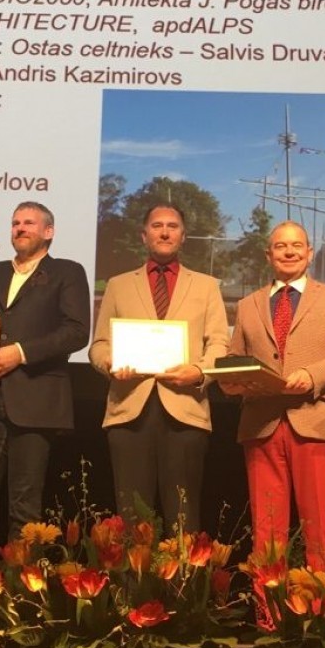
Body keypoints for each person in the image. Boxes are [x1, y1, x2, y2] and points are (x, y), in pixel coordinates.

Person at [0, 202, 89, 562]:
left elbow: (77, 331)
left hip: (35, 402)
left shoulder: (67, 272)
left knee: (24, 511)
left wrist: (21, 352)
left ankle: (19, 589)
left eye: (29, 222)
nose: (20, 228)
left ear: (49, 232)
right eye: (15, 223)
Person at [221, 221, 325, 569]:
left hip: (315, 418)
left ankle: (323, 601)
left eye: (297, 245)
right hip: (260, 423)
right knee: (266, 532)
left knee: (321, 528)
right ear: (269, 255)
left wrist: (312, 376)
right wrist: (232, 381)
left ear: (309, 253)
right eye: (281, 246)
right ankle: (268, 604)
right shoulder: (248, 304)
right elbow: (235, 358)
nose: (289, 251)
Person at [89, 203, 229, 532]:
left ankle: (182, 570)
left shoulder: (207, 285)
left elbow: (220, 344)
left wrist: (200, 372)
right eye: (156, 226)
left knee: (184, 517)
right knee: (131, 519)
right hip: (129, 409)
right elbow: (99, 345)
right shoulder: (118, 284)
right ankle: (134, 570)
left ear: (183, 236)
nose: (164, 232)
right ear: (144, 235)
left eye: (172, 226)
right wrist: (110, 364)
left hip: (186, 409)